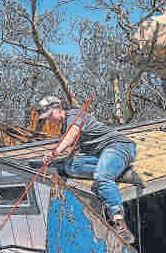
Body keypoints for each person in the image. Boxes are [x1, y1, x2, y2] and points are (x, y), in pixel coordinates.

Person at [39, 95, 137, 244]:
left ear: (58, 108)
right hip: (101, 155)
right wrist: (51, 161)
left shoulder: (74, 115)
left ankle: (120, 223)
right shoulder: (65, 128)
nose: (49, 120)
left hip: (118, 147)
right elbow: (73, 151)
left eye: (49, 115)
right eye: (46, 118)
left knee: (102, 177)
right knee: (70, 166)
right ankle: (118, 171)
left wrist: (55, 152)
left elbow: (73, 133)